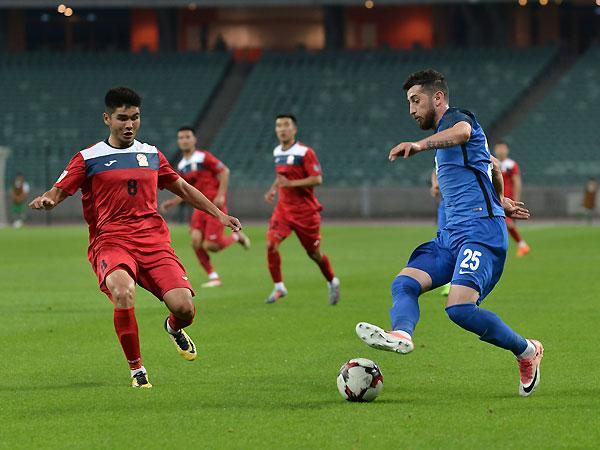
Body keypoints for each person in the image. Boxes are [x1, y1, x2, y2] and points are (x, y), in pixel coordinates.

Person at [29, 87, 242, 388]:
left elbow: (182, 188)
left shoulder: (151, 154)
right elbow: (57, 191)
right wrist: (48, 201)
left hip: (154, 243)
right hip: (111, 241)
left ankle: (173, 328)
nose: (129, 124)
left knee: (184, 308)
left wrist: (219, 214)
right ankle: (137, 370)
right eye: (122, 118)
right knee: (122, 291)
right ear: (107, 119)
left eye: (135, 118)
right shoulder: (89, 158)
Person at [355, 70, 543, 397]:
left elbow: (462, 133)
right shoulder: (447, 147)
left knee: (459, 309)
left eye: (416, 101)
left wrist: (419, 145)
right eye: (409, 103)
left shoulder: (458, 120)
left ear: (438, 98)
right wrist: (500, 199)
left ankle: (527, 350)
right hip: (450, 236)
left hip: (480, 232)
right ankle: (401, 334)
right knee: (404, 283)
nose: (412, 109)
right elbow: (494, 167)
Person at [264, 114, 340, 305]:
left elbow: (317, 179)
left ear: (294, 129)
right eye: (278, 125)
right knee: (271, 244)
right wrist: (273, 189)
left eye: (286, 125)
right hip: (283, 209)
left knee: (314, 254)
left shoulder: (305, 152)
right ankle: (279, 287)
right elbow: (281, 177)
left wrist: (290, 184)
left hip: (306, 212)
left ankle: (332, 281)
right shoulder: (277, 151)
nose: (282, 129)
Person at [160, 127, 250, 288]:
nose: (184, 140)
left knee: (211, 246)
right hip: (199, 208)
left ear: (194, 139)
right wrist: (173, 202)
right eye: (181, 138)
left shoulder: (203, 157)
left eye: (187, 137)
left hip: (215, 205)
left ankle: (237, 237)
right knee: (196, 241)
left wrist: (221, 195)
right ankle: (213, 276)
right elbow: (186, 189)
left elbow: (224, 171)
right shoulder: (182, 165)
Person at [494, 141, 530, 257]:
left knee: (507, 223)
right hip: (496, 199)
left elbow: (517, 182)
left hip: (507, 200)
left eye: (503, 148)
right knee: (501, 224)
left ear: (507, 150)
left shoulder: (511, 165)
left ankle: (522, 245)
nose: (501, 151)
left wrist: (516, 198)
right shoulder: (492, 162)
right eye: (499, 148)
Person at [430, 169, 450, 297]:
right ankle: (447, 282)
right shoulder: (442, 158)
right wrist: (435, 184)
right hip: (445, 204)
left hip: (464, 206)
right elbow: (435, 170)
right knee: (444, 241)